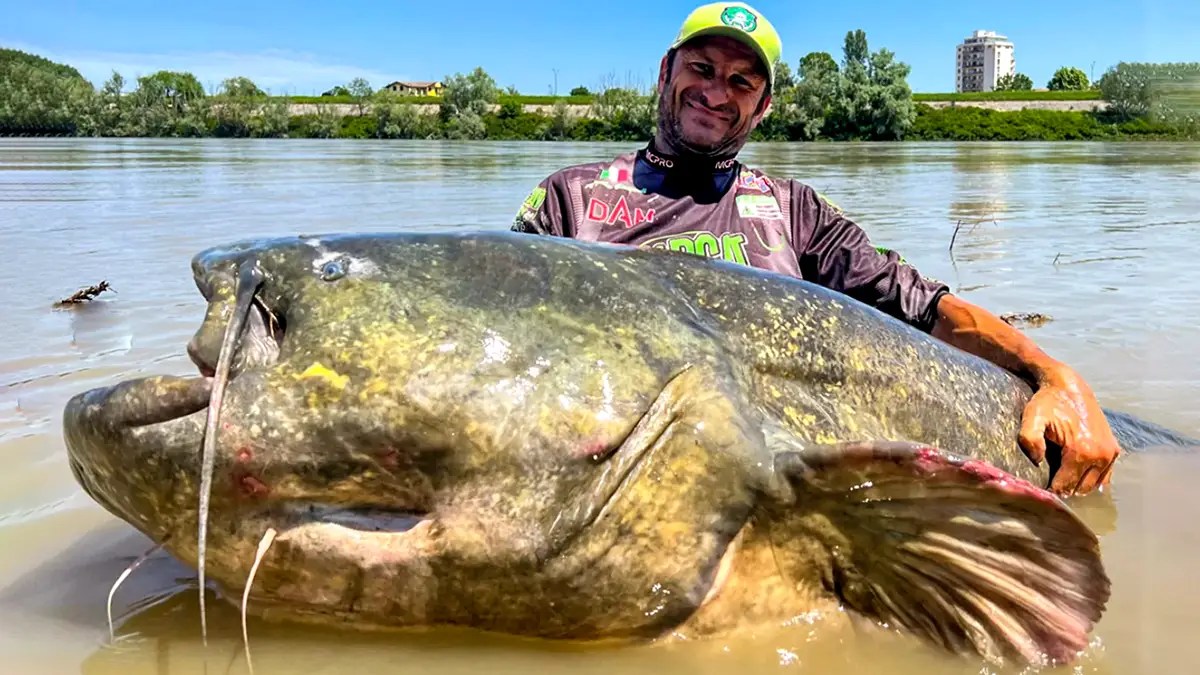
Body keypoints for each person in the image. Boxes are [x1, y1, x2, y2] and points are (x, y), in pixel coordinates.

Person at [510, 1, 1120, 497]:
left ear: (763, 105)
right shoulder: (570, 198)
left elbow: (924, 308)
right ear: (667, 70)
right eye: (701, 68)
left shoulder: (793, 209)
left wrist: (1056, 374)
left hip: (776, 481)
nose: (717, 92)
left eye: (741, 81)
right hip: (622, 474)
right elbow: (506, 348)